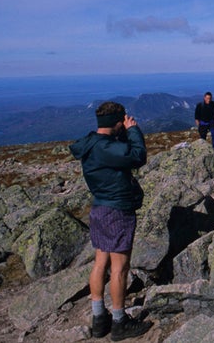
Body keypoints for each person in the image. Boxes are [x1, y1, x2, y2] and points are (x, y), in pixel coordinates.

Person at [69, 101, 152, 340]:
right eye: (121, 122)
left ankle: (99, 318)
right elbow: (138, 156)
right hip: (117, 211)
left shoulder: (93, 144)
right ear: (116, 124)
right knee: (119, 268)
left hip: (99, 209)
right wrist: (134, 131)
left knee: (100, 263)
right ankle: (119, 322)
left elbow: (118, 153)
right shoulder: (105, 148)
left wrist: (122, 133)